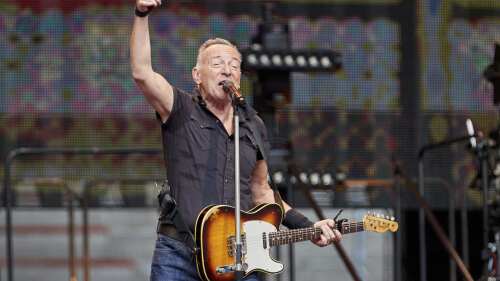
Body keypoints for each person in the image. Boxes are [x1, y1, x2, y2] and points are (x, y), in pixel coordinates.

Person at [130, 0, 342, 280]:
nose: (227, 70)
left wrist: (308, 225)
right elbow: (142, 73)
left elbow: (262, 192)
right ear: (197, 76)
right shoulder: (181, 108)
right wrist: (141, 14)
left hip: (236, 254)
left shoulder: (253, 124)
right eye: (217, 64)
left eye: (234, 65)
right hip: (180, 253)